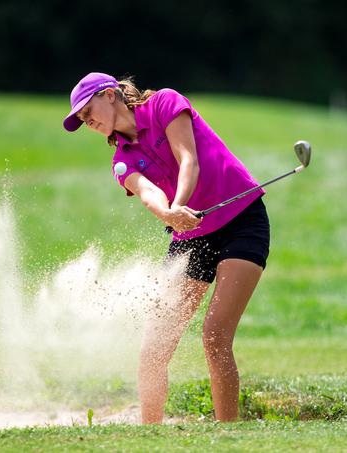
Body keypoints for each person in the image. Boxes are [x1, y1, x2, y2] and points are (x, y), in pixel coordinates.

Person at [63, 72, 270, 423]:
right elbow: (148, 194)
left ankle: (229, 434)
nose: (89, 122)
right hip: (189, 236)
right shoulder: (122, 160)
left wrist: (179, 205)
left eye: (88, 111)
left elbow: (188, 158)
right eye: (82, 120)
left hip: (242, 221)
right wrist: (169, 213)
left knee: (215, 336)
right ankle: (150, 435)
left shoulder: (164, 103)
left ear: (110, 94)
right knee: (153, 349)